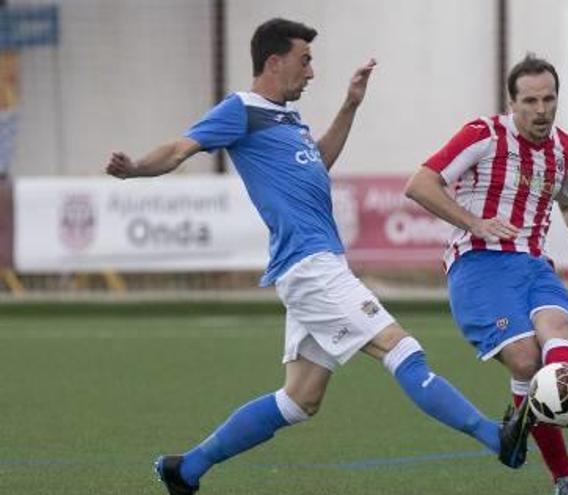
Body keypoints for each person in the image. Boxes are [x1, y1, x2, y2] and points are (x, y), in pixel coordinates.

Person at [104, 18, 528, 495]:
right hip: (312, 268)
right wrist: (137, 169)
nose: (311, 72)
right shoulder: (241, 109)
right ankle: (497, 438)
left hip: (313, 266)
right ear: (273, 61)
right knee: (400, 347)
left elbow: (317, 163)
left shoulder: (286, 118)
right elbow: (181, 148)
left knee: (300, 399)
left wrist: (350, 105)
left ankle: (187, 469)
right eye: (305, 61)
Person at [404, 54, 568, 495]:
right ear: (513, 103)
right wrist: (474, 222)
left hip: (534, 264)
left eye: (549, 99)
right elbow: (420, 183)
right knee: (527, 360)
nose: (541, 110)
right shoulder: (483, 135)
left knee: (558, 333)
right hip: (479, 263)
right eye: (530, 101)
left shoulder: (567, 148)